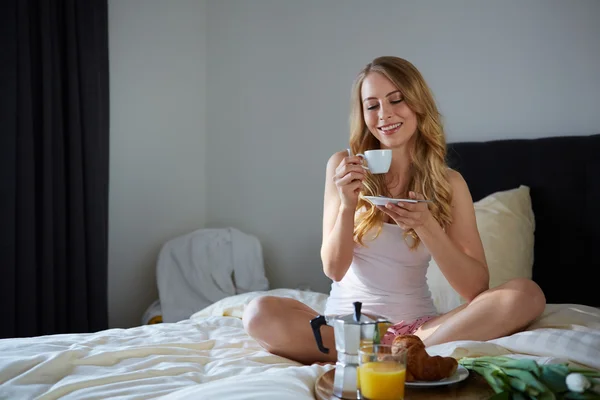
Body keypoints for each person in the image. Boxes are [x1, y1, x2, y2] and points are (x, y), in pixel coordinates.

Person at [242, 56, 546, 365]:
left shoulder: (449, 184)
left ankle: (396, 352)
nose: (384, 114)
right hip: (346, 327)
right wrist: (348, 206)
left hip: (419, 330)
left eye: (396, 99)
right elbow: (333, 269)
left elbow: (476, 289)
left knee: (526, 294)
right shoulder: (342, 167)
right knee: (258, 313)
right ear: (363, 114)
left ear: (417, 104)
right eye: (372, 105)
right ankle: (389, 356)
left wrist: (427, 226)